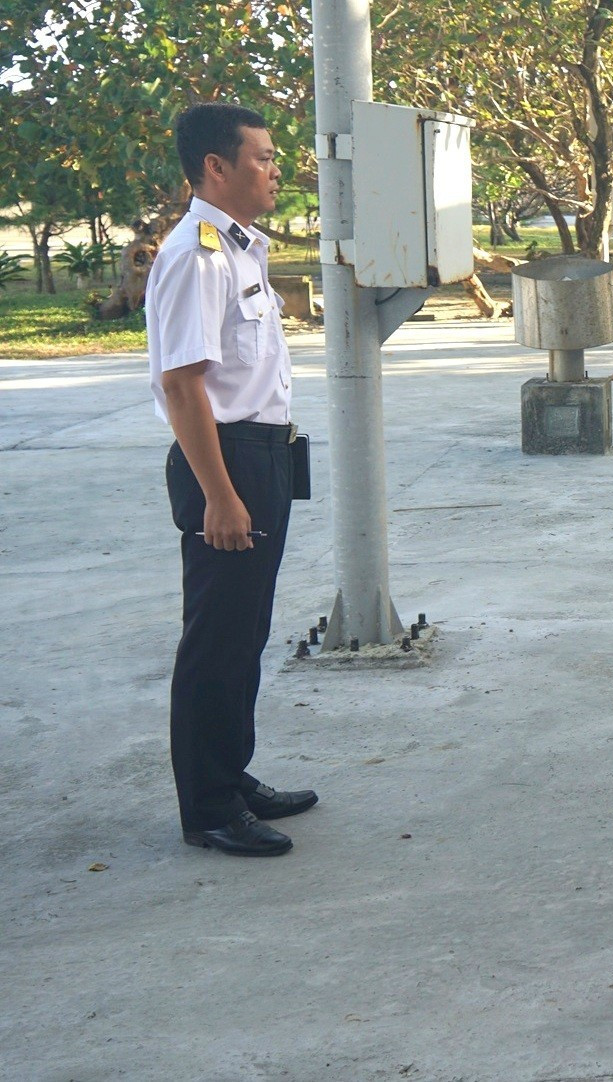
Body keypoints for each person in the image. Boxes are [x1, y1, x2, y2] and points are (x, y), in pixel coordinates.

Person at [147, 103, 316, 857]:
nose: (275, 168)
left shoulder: (241, 248)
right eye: (263, 157)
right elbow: (183, 385)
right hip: (226, 460)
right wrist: (220, 493)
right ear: (217, 167)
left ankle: (230, 773)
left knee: (245, 633)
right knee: (216, 639)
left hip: (263, 453)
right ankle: (209, 808)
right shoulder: (196, 255)